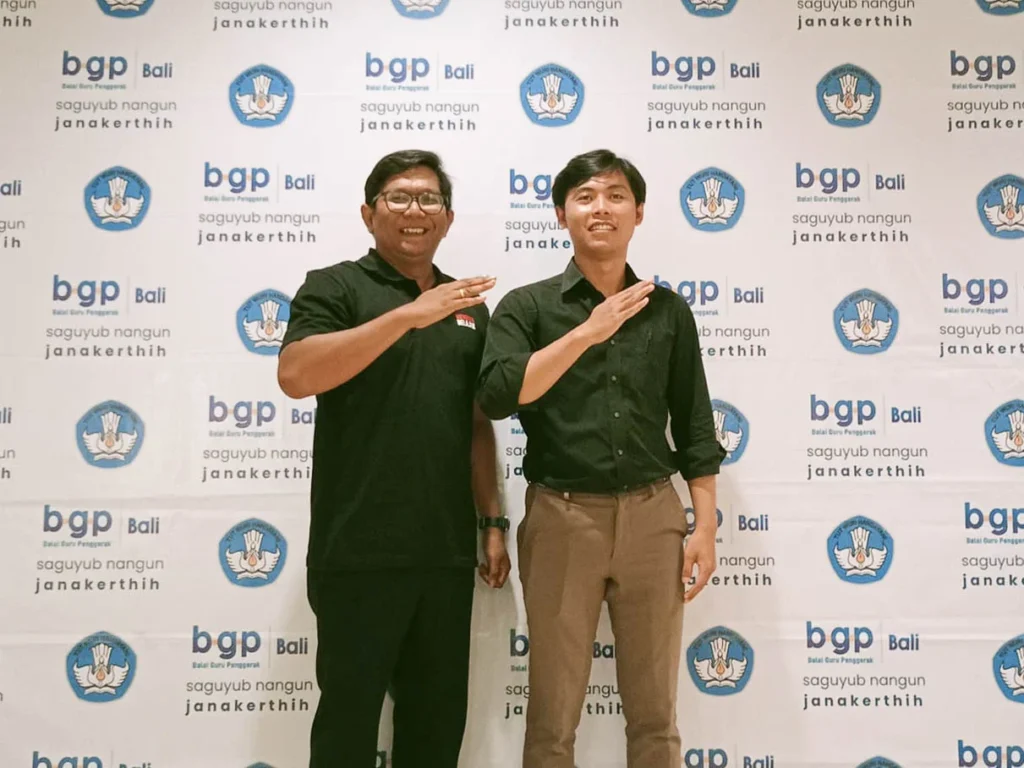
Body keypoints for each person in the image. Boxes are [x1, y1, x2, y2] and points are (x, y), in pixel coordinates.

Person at [476, 149, 726, 768]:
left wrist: (705, 526)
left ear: (638, 212)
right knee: (552, 717)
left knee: (656, 716)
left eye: (616, 196)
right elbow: (500, 395)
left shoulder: (667, 310)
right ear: (561, 214)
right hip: (562, 519)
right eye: (585, 197)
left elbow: (694, 423)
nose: (601, 209)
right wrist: (589, 330)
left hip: (653, 517)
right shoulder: (527, 308)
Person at [276, 149, 512, 768]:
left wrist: (491, 521)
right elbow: (296, 374)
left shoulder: (468, 306)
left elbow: (476, 423)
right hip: (356, 550)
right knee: (347, 729)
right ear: (369, 213)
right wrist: (408, 316)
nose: (415, 210)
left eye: (429, 199)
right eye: (399, 197)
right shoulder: (334, 286)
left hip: (444, 551)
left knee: (435, 730)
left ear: (448, 218)